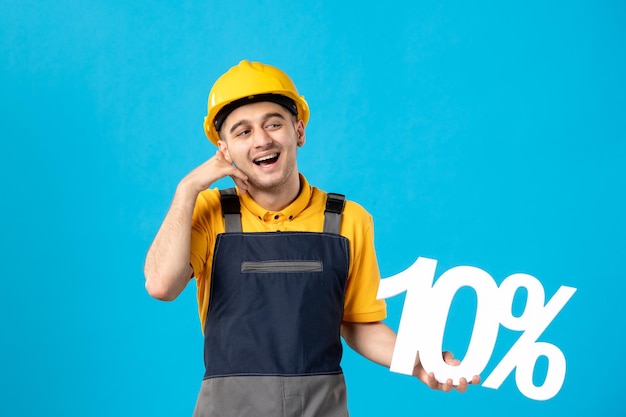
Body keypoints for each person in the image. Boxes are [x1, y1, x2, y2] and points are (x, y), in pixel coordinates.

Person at [144, 60, 480, 417]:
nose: (261, 140)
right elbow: (161, 285)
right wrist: (187, 189)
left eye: (274, 123)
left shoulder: (348, 219)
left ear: (299, 131)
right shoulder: (208, 213)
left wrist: (418, 361)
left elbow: (358, 323)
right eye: (242, 132)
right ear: (224, 149)